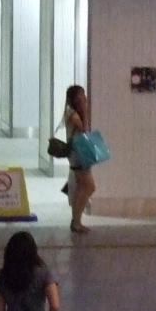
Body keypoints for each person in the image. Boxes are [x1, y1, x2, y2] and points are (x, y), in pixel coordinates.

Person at [64, 84, 96, 234]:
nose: (84, 97)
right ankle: (76, 221)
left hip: (78, 153)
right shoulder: (73, 114)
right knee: (89, 186)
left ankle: (76, 221)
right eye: (81, 95)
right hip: (78, 154)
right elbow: (84, 130)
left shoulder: (71, 112)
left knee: (80, 187)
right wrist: (85, 110)